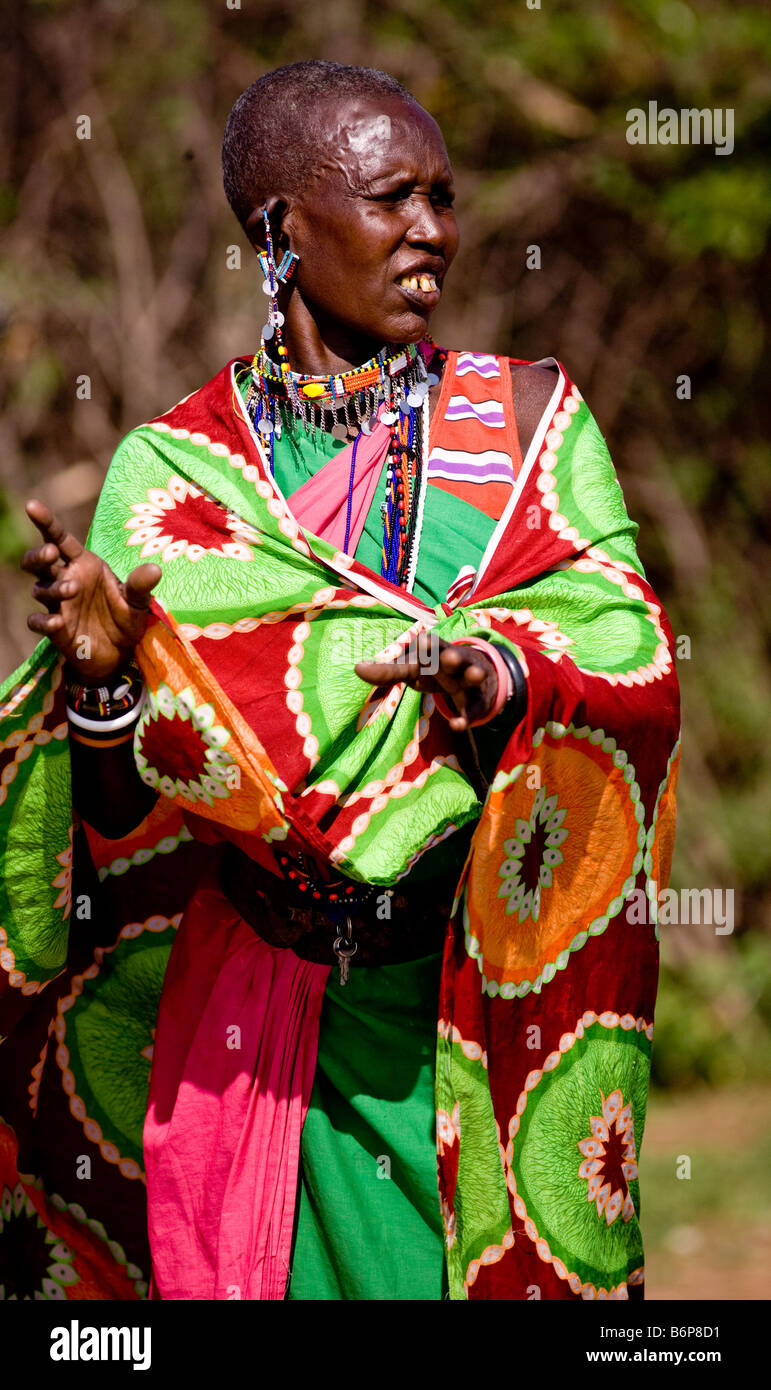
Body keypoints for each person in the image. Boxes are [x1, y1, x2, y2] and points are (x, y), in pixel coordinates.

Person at [0, 60, 680, 1302]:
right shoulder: (176, 480)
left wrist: (498, 670)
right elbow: (116, 825)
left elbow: (632, 655)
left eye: (444, 199)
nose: (434, 233)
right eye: (392, 199)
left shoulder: (527, 428)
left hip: (464, 1011)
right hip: (257, 1024)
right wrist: (99, 683)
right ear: (283, 232)